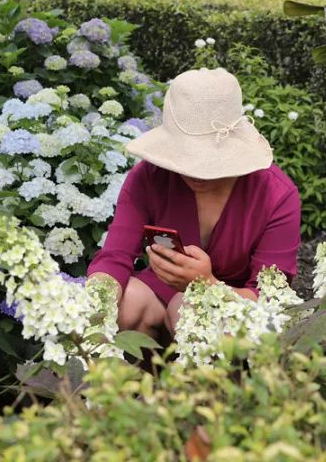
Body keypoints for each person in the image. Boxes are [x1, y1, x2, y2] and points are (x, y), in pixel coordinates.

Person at [87, 67, 301, 339]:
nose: (194, 173)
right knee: (126, 304)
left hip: (233, 312)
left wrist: (207, 285)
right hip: (159, 296)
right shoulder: (148, 177)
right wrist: (93, 307)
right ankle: (140, 378)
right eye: (185, 156)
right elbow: (114, 257)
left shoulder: (276, 196)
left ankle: (209, 381)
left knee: (190, 308)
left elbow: (269, 298)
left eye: (207, 161)